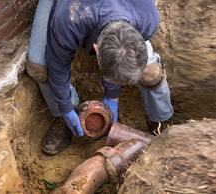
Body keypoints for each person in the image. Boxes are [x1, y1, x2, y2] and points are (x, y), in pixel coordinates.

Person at [26, 0, 173, 155]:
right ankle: (66, 116)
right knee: (40, 68)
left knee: (151, 73)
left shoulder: (148, 17)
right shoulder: (68, 19)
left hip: (125, 8)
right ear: (95, 48)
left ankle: (160, 118)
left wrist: (112, 95)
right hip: (68, 6)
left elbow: (123, 55)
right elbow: (57, 64)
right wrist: (65, 106)